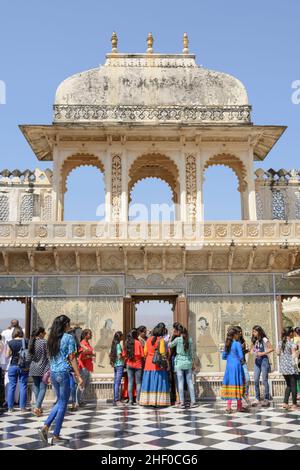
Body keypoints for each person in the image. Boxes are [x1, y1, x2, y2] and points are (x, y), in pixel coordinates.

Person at [38, 315, 83, 446]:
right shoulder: (68, 338)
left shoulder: (51, 339)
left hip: (53, 372)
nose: (70, 326)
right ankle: (55, 434)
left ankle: (46, 427)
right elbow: (72, 358)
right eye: (68, 324)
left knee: (60, 401)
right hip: (63, 373)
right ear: (65, 325)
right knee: (63, 403)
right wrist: (78, 375)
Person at [139, 322, 171, 408]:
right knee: (159, 381)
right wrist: (167, 363)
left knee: (149, 382)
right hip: (158, 364)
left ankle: (148, 401)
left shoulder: (148, 340)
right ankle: (159, 401)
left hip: (148, 363)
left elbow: (145, 352)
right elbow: (162, 353)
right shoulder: (161, 340)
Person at [169, 325, 197, 409]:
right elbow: (192, 353)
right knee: (189, 382)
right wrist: (193, 363)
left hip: (179, 363)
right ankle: (193, 401)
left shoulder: (177, 340)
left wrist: (171, 335)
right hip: (188, 362)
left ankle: (182, 402)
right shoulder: (190, 340)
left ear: (180, 332)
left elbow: (169, 345)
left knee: (180, 383)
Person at [220, 327, 246, 414]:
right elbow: (241, 356)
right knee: (238, 383)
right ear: (235, 335)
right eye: (238, 334)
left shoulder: (227, 344)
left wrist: (230, 357)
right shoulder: (237, 344)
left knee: (230, 384)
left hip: (229, 366)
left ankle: (228, 407)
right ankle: (239, 406)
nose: (239, 335)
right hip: (237, 366)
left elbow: (223, 356)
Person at [7, 327, 30, 413]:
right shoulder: (26, 341)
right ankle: (22, 408)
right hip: (24, 366)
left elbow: (7, 355)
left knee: (12, 386)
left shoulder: (11, 342)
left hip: (13, 365)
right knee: (23, 385)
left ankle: (10, 408)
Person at [250, 325, 274, 407]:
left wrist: (262, 353)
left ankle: (266, 398)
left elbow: (271, 348)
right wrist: (253, 352)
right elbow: (251, 350)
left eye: (255, 331)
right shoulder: (254, 340)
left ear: (259, 331)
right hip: (257, 361)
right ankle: (257, 398)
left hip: (264, 360)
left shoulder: (264, 339)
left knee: (264, 380)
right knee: (256, 380)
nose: (253, 333)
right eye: (253, 332)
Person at [28, 327, 50, 417]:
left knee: (36, 387)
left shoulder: (31, 342)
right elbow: (48, 356)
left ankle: (39, 407)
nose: (45, 333)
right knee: (42, 388)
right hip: (43, 367)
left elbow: (29, 357)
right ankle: (37, 407)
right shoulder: (44, 342)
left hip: (33, 367)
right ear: (40, 333)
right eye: (44, 332)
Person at [277, 327, 299, 410]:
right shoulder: (291, 343)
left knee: (288, 385)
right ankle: (294, 404)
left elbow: (277, 353)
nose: (293, 334)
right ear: (290, 334)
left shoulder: (280, 343)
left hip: (283, 367)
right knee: (293, 385)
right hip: (291, 367)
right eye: (292, 332)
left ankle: (285, 403)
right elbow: (294, 355)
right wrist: (296, 353)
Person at [76, 329, 95, 407]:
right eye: (89, 334)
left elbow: (86, 355)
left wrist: (91, 355)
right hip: (83, 367)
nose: (91, 335)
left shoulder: (87, 343)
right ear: (85, 335)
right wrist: (90, 356)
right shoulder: (82, 343)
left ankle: (81, 400)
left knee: (86, 384)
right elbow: (80, 357)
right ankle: (78, 401)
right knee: (81, 384)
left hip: (87, 367)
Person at [124, 329, 144, 406]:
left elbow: (124, 355)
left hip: (129, 364)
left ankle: (130, 401)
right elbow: (142, 355)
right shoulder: (138, 343)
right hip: (138, 364)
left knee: (130, 382)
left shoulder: (127, 343)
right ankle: (138, 400)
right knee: (138, 383)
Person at [235, 326, 251, 407]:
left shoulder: (242, 341)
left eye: (241, 331)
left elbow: (242, 353)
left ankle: (245, 393)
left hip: (243, 362)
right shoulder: (233, 342)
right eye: (239, 332)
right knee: (238, 382)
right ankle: (238, 401)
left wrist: (246, 350)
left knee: (247, 379)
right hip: (236, 364)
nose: (241, 333)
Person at [109, 331, 124, 406]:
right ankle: (117, 399)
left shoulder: (113, 345)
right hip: (119, 364)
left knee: (116, 382)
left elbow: (110, 354)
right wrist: (123, 357)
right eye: (122, 336)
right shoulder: (118, 345)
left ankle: (115, 398)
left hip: (115, 365)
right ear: (120, 337)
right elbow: (119, 355)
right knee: (117, 383)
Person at [293, 327, 300, 400]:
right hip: (298, 359)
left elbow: (294, 350)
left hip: (296, 360)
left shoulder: (295, 340)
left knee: (297, 377)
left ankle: (298, 393)